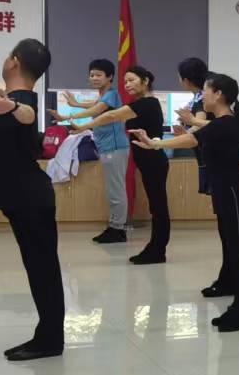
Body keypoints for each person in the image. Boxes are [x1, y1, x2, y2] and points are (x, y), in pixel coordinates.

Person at [134, 73, 239, 331]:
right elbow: (200, 140)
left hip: (236, 194)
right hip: (228, 193)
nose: (203, 96)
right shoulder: (223, 122)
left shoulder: (225, 123)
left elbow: (193, 139)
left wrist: (155, 143)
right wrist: (186, 128)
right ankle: (238, 305)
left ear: (219, 94)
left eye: (206, 91)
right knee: (233, 251)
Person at [0, 38, 64, 361]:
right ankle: (45, 335)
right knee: (38, 269)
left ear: (14, 62)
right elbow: (19, 102)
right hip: (25, 199)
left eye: (8, 55)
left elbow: (27, 115)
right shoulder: (17, 95)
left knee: (43, 270)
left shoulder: (21, 103)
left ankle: (50, 341)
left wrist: (12, 108)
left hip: (30, 200)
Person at [66, 64, 171, 264]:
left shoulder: (147, 103)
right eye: (125, 81)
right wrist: (79, 110)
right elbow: (105, 110)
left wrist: (82, 126)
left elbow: (110, 115)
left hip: (154, 161)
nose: (127, 85)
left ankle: (157, 250)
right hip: (147, 161)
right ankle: (156, 248)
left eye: (131, 80)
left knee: (158, 208)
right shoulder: (140, 103)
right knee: (156, 207)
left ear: (145, 81)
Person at [52, 57, 130, 244]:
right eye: (92, 75)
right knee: (112, 190)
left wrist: (67, 116)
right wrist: (75, 104)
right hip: (107, 147)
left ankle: (118, 229)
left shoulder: (111, 94)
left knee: (116, 190)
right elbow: (95, 106)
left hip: (115, 147)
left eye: (98, 75)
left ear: (110, 77)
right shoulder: (104, 95)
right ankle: (115, 227)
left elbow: (96, 110)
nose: (94, 78)